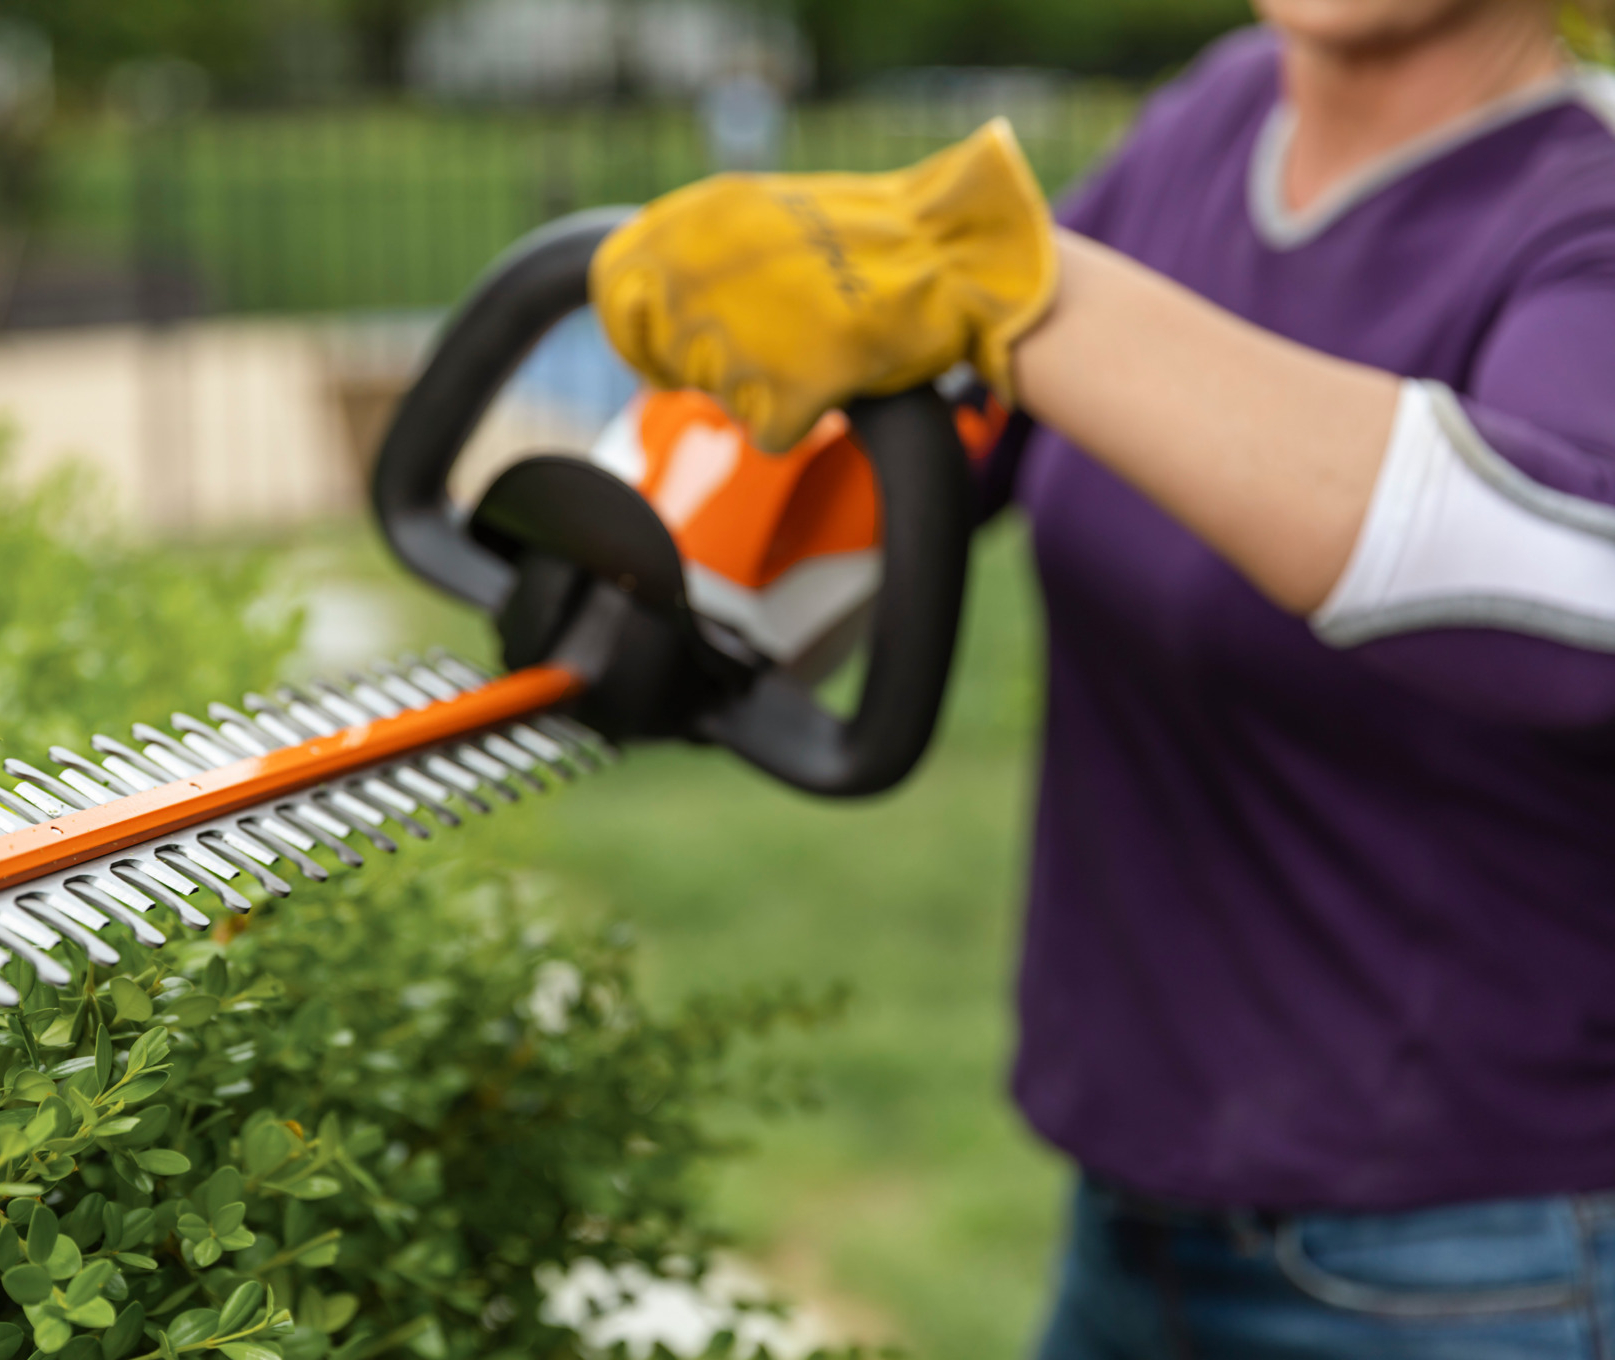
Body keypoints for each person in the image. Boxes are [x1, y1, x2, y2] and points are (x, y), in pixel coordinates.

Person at [588, 0, 1615, 1354]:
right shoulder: (1216, 116)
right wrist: (658, 559)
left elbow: (1573, 579)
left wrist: (1026, 292)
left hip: (1473, 1253)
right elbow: (963, 430)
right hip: (1135, 1208)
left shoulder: (1580, 208)